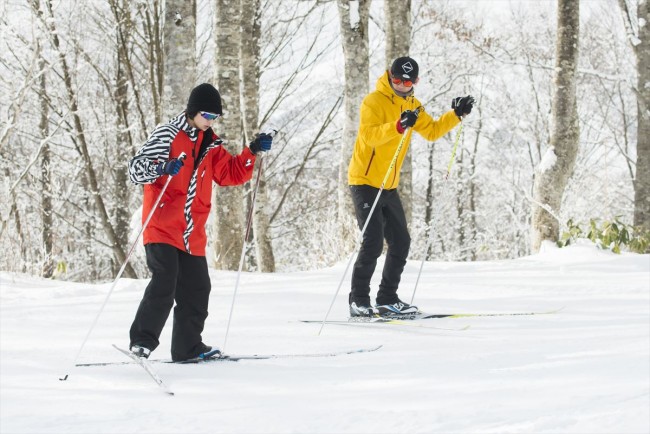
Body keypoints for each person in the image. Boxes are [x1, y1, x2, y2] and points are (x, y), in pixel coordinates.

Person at [127, 83, 272, 360]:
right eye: (206, 115)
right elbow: (136, 169)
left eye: (214, 117)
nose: (210, 121)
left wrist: (251, 151)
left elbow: (230, 174)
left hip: (191, 232)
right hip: (162, 225)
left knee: (198, 288)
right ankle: (141, 343)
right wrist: (162, 167)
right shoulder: (168, 134)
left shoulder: (211, 145)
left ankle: (187, 347)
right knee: (164, 282)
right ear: (193, 111)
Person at [347, 57, 474, 317]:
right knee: (372, 242)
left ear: (415, 81)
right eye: (398, 80)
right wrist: (397, 126)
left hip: (388, 185)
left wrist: (456, 115)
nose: (403, 85)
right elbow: (369, 135)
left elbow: (432, 131)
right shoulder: (373, 101)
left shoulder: (413, 105)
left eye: (409, 81)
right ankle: (358, 300)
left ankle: (387, 298)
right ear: (390, 77)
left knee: (401, 241)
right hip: (365, 181)